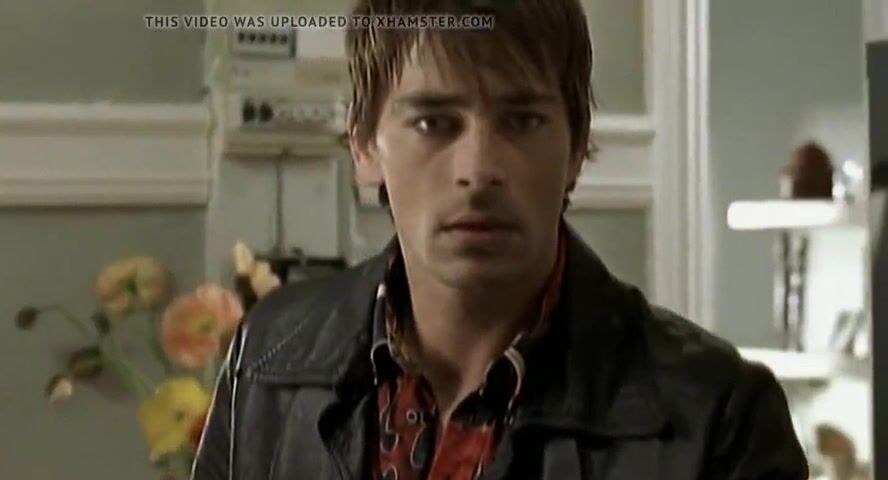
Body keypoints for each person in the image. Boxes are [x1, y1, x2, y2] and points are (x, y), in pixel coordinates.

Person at [191, 0, 809, 478]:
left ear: (576, 146)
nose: (478, 169)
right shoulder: (269, 361)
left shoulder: (717, 415)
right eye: (434, 122)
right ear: (364, 143)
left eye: (522, 121)